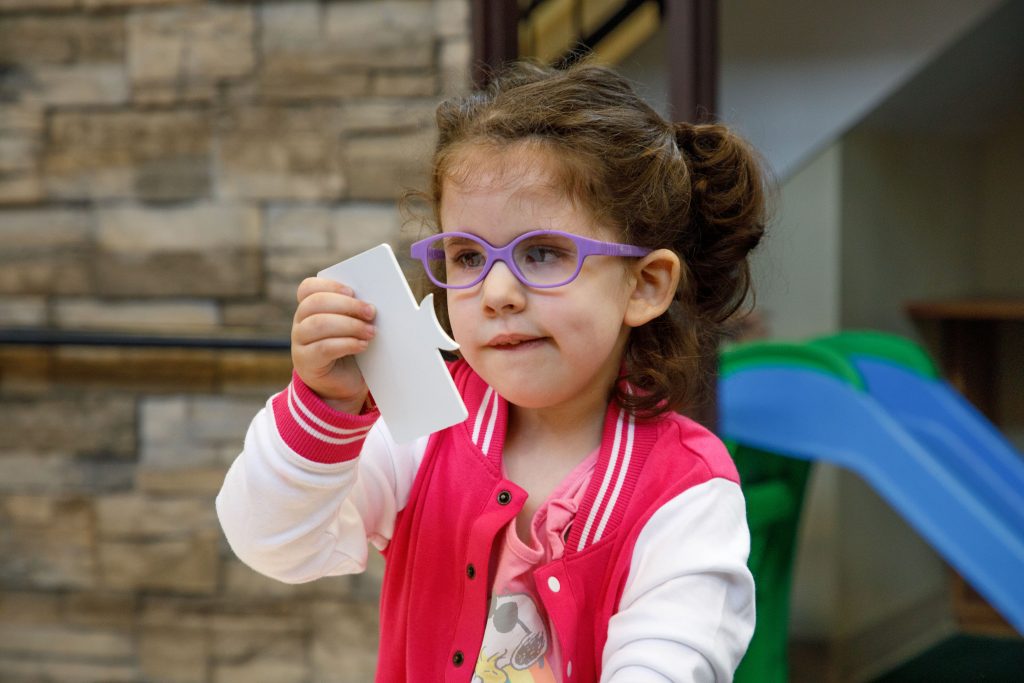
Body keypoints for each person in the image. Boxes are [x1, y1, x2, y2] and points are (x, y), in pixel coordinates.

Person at [217, 61, 768, 682]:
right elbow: (273, 543)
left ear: (644, 285)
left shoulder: (687, 491)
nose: (496, 291)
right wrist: (323, 407)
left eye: (542, 253)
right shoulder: (423, 424)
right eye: (468, 255)